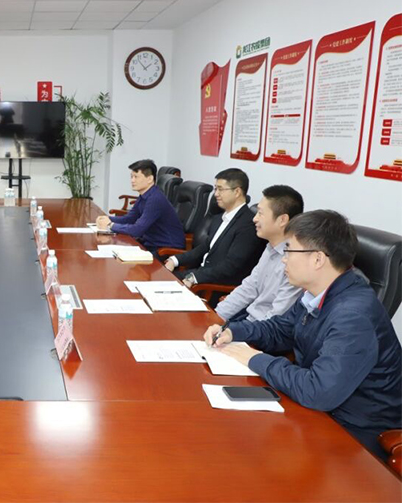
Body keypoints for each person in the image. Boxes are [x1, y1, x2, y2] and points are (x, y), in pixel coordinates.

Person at [203, 210, 402, 460]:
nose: (284, 260)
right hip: (320, 410)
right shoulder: (317, 293)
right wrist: (234, 331)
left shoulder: (353, 315)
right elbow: (282, 329)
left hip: (356, 435)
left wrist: (254, 358)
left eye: (289, 250)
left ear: (317, 259)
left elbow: (318, 391)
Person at [215, 185, 305, 322]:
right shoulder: (270, 247)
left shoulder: (295, 261)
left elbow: (276, 318)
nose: (254, 219)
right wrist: (215, 316)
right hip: (247, 321)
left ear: (282, 220)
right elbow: (249, 288)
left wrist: (237, 331)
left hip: (262, 329)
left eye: (260, 213)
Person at [164, 168, 263, 287]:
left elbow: (230, 267)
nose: (216, 194)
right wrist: (175, 260)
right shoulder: (219, 218)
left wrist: (193, 277)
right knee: (158, 277)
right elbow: (205, 247)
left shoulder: (248, 225)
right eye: (216, 189)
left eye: (220, 189)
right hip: (200, 274)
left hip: (213, 285)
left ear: (237, 192)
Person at [95, 159, 185, 254]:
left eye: (136, 177)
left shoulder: (155, 199)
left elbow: (137, 230)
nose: (132, 180)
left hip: (165, 250)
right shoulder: (144, 195)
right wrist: (107, 219)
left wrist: (110, 225)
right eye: (131, 177)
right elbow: (130, 218)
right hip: (150, 244)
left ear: (149, 179)